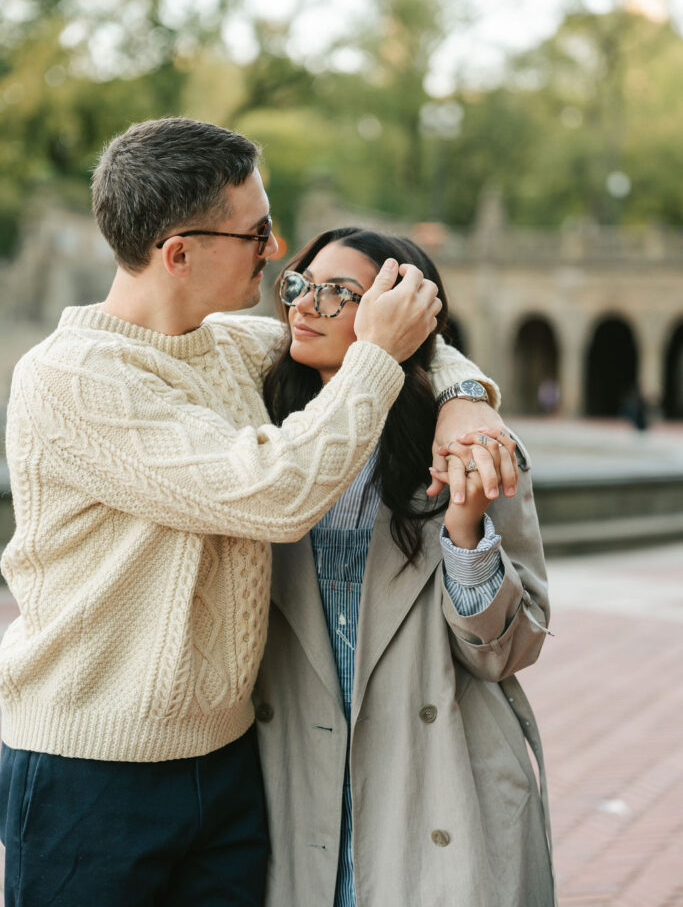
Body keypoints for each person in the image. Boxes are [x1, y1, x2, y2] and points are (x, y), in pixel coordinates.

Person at [0, 117, 513, 906]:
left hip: (229, 763)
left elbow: (386, 339)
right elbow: (276, 492)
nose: (277, 252)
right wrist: (381, 357)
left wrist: (463, 399)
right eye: (257, 233)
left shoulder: (228, 348)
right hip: (91, 775)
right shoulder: (72, 378)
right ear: (180, 252)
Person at [255, 228, 556, 907]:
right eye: (300, 284)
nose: (308, 304)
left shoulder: (466, 445)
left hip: (437, 786)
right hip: (294, 786)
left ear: (404, 312)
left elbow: (509, 650)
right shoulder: (259, 431)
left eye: (341, 293)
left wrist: (464, 529)